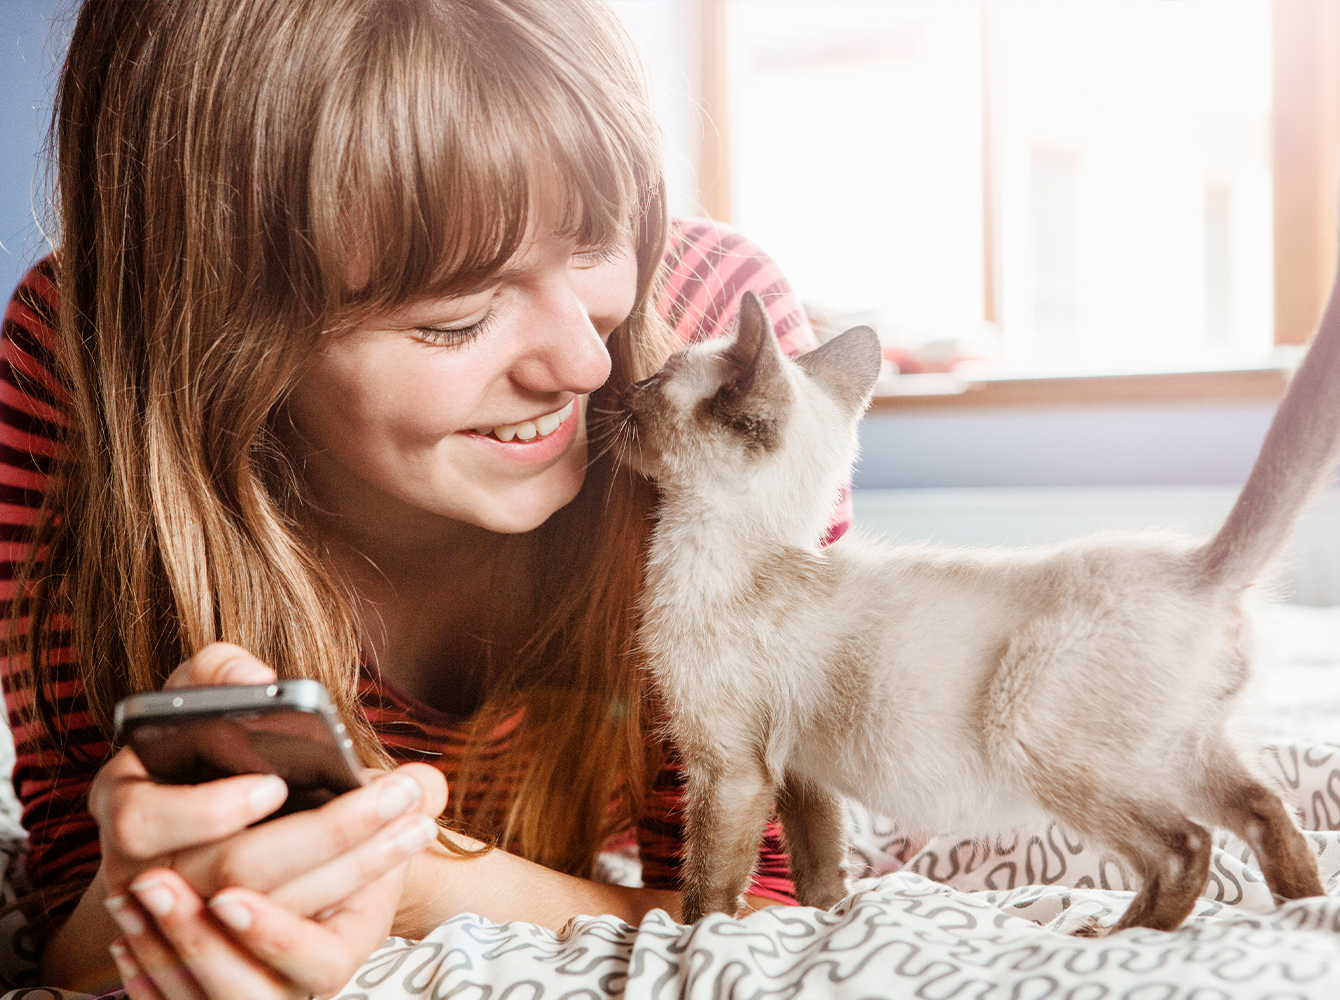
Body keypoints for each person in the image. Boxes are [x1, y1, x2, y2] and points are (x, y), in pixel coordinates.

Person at [0, 2, 849, 996]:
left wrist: (409, 877)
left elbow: (780, 916)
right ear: (219, 330)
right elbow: (68, 910)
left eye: (594, 240)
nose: (586, 361)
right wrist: (167, 897)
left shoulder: (713, 346)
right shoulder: (78, 357)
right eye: (456, 318)